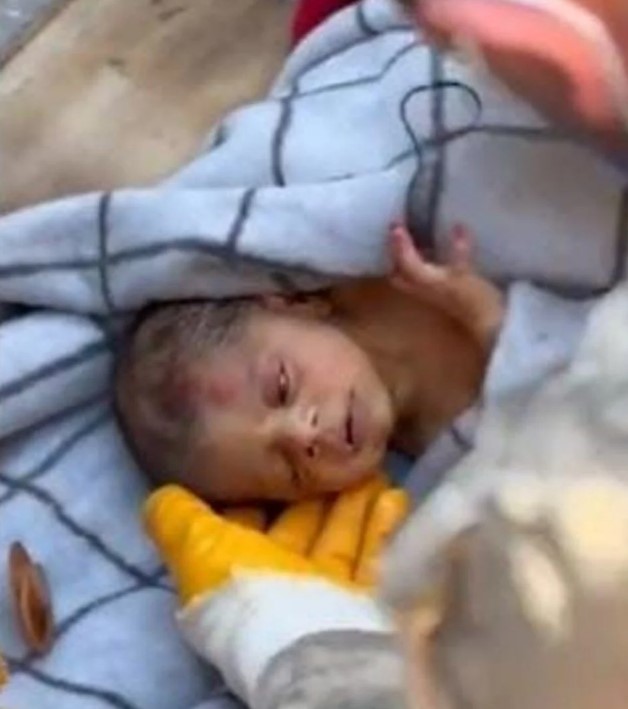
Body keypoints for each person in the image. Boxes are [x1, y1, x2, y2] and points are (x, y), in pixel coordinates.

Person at [115, 223, 503, 501]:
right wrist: (490, 321)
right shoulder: (447, 455)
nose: (304, 437)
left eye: (281, 388)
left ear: (292, 303)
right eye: (292, 471)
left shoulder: (368, 254)